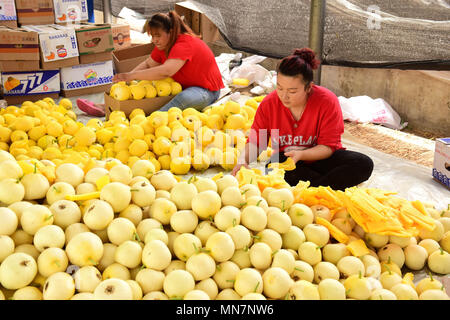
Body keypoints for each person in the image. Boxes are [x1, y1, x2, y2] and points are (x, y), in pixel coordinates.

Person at [231, 48, 374, 191]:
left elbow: (328, 147)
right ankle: (326, 188)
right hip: (290, 160)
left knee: (363, 163)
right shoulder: (269, 104)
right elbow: (257, 142)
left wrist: (303, 154)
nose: (284, 96)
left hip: (322, 158)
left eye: (292, 91)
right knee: (275, 166)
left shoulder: (327, 101)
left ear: (308, 87)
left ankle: (315, 189)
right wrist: (243, 160)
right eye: (279, 88)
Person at [112, 11, 224, 111]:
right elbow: (148, 64)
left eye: (158, 36)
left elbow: (166, 71)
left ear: (170, 32)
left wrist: (132, 76)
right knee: (142, 85)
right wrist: (127, 79)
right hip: (183, 87)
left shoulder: (184, 44)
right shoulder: (163, 45)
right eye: (152, 36)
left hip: (206, 91)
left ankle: (153, 119)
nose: (154, 40)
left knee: (182, 99)